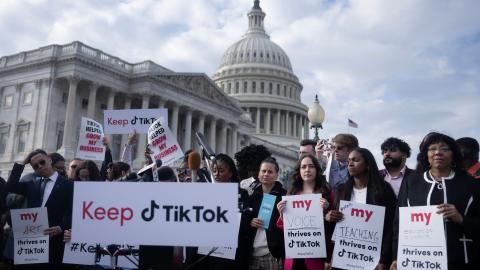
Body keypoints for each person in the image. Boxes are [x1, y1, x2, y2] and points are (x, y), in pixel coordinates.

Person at [391, 132, 480, 270]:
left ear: (453, 155)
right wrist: (397, 257)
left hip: (463, 260)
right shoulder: (411, 182)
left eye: (444, 149)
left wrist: (461, 219)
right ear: (426, 155)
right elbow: (399, 223)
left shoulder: (471, 184)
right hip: (420, 261)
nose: (438, 152)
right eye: (432, 149)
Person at [326, 148, 397, 270]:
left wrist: (383, 260)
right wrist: (329, 217)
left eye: (355, 160)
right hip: (343, 259)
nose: (350, 164)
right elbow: (335, 228)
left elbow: (390, 228)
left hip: (372, 261)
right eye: (349, 161)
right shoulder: (341, 190)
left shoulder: (384, 190)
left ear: (368, 164)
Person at [5, 149, 73, 269]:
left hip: (54, 242)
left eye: (42, 162)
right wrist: (22, 163)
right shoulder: (32, 184)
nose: (40, 167)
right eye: (36, 166)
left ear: (49, 160)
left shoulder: (68, 185)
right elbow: (11, 185)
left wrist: (61, 227)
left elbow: (72, 212)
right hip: (30, 243)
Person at [276, 154, 331, 270]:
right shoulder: (292, 193)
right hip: (294, 256)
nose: (307, 170)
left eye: (311, 166)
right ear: (299, 171)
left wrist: (327, 212)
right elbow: (284, 227)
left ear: (316, 169)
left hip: (316, 257)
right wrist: (282, 214)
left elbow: (333, 225)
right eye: (303, 167)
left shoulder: (327, 193)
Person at [239, 157, 286, 270]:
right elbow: (243, 222)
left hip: (274, 255)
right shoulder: (252, 197)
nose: (266, 174)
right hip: (253, 254)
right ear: (259, 173)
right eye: (263, 171)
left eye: (270, 172)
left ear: (276, 174)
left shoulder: (284, 196)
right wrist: (250, 221)